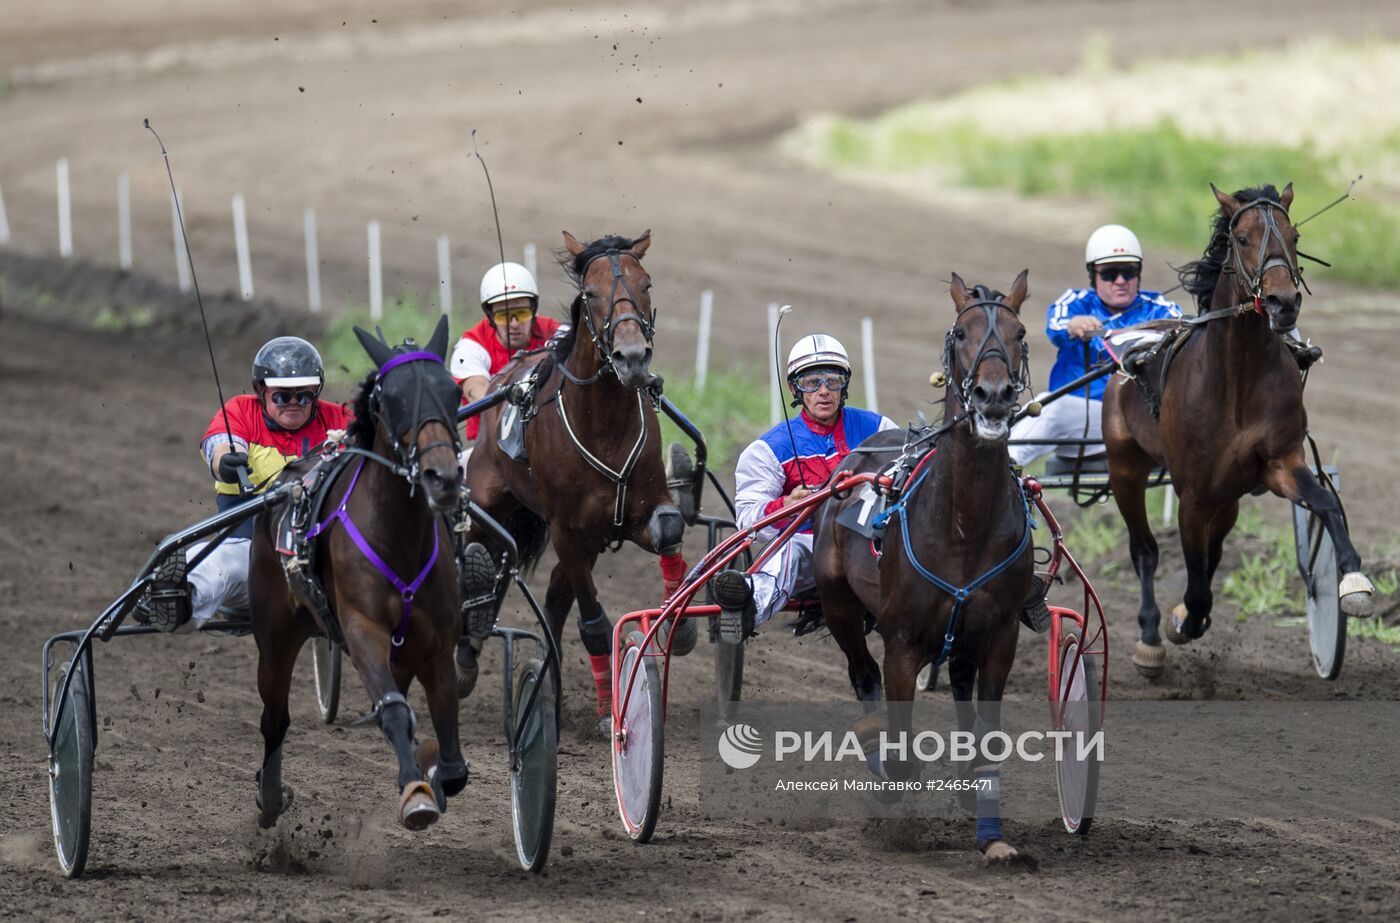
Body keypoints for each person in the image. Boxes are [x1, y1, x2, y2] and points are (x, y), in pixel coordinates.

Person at [138, 337, 349, 631]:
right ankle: (177, 598)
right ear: (261, 391)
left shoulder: (339, 418)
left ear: (317, 391)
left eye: (303, 396)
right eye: (281, 397)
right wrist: (226, 461)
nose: (293, 404)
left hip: (323, 553)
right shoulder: (241, 411)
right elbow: (220, 445)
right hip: (252, 549)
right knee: (219, 564)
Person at [711, 334, 898, 643]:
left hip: (873, 544)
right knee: (790, 553)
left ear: (844, 385)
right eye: (811, 382)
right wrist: (785, 506)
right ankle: (748, 604)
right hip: (812, 550)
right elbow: (748, 519)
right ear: (795, 388)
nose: (823, 392)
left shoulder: (879, 429)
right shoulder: (768, 450)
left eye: (832, 381)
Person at [1008, 224, 1183, 469]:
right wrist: (1073, 325)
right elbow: (1055, 328)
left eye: (1129, 272)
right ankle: (1005, 468)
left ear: (1138, 274)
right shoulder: (1075, 303)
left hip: (1145, 420)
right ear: (1094, 275)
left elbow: (1182, 332)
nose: (1120, 281)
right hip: (1087, 420)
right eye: (1110, 274)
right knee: (1049, 406)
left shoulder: (1161, 307)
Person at [450, 261, 564, 442]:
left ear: (533, 310)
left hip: (547, 446)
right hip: (489, 452)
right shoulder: (471, 347)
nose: (514, 324)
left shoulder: (555, 332)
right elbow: (478, 393)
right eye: (503, 315)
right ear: (491, 317)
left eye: (522, 313)